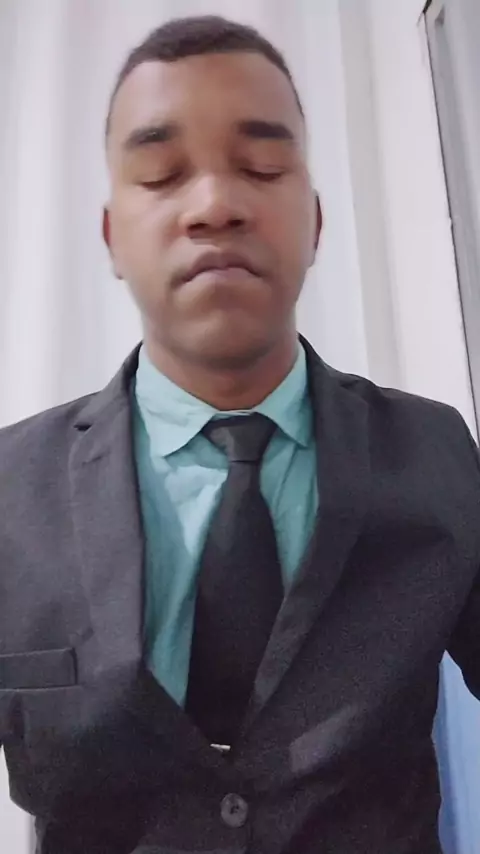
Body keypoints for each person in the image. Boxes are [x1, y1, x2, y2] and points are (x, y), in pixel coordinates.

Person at [0, 13, 479, 854]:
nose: (216, 205)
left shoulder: (435, 453)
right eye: (161, 174)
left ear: (316, 222)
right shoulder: (11, 489)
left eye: (261, 166)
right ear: (112, 237)